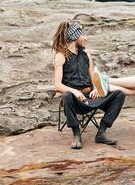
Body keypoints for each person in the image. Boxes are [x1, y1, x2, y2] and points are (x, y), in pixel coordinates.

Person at [53, 21, 125, 149]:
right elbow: (57, 85)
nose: (86, 38)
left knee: (119, 94)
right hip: (75, 100)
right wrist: (75, 92)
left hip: (91, 97)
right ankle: (76, 134)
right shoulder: (61, 56)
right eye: (83, 35)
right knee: (66, 95)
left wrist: (96, 88)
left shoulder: (87, 55)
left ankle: (101, 132)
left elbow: (93, 77)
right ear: (75, 37)